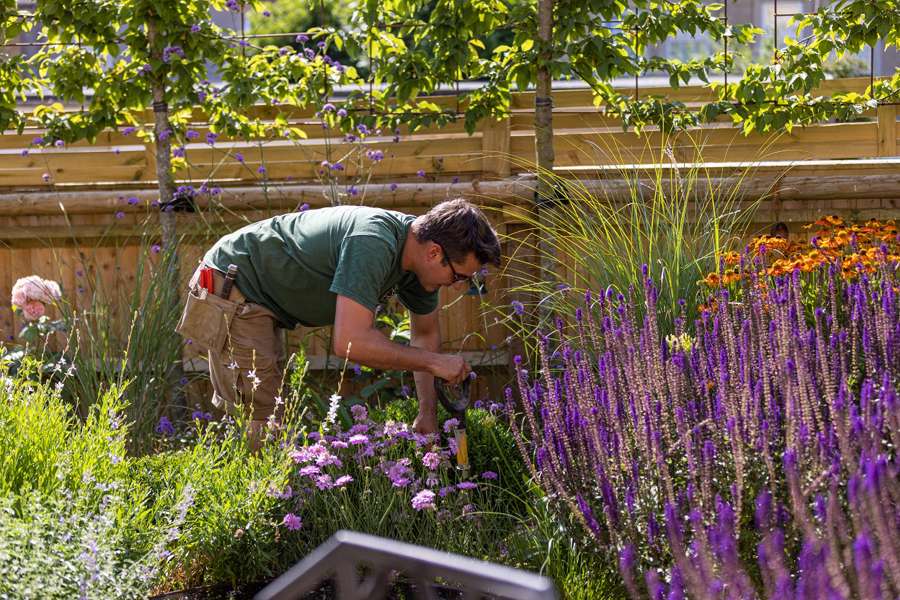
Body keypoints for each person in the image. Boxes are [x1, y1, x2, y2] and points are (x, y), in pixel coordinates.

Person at [176, 198, 501, 447]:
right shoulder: (373, 242)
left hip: (265, 300)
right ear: (434, 253)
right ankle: (253, 525)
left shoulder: (418, 265)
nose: (458, 286)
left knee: (269, 416)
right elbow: (350, 342)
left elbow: (425, 336)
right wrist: (433, 363)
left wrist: (427, 413)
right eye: (458, 276)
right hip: (234, 284)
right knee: (262, 420)